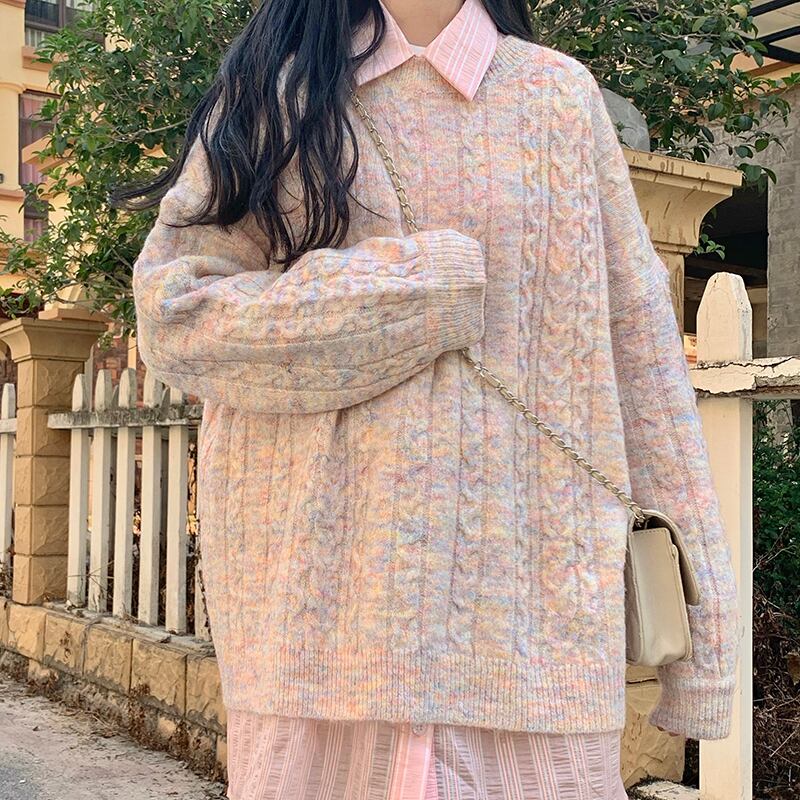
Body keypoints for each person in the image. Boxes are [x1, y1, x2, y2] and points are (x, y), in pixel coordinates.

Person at [118, 0, 742, 797]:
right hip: (318, 645)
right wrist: (416, 291)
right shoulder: (280, 98)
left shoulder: (556, 98)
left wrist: (705, 637)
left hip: (532, 647)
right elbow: (175, 315)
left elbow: (644, 363)